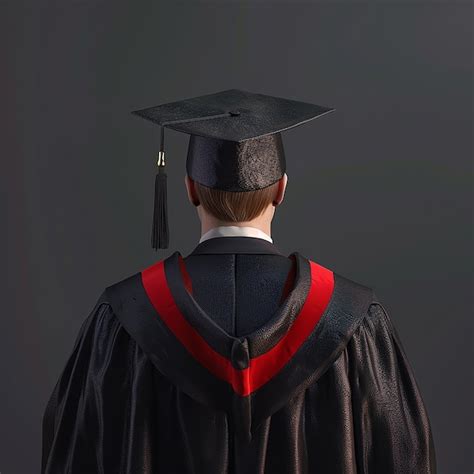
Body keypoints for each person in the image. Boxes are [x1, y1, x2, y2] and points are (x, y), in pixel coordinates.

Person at [41, 89, 437, 473]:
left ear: (190, 189)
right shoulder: (350, 319)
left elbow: (72, 454)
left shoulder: (126, 318)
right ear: (281, 189)